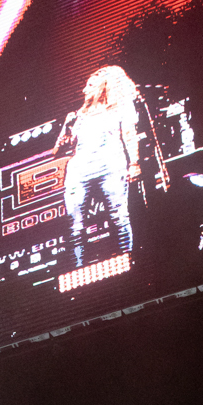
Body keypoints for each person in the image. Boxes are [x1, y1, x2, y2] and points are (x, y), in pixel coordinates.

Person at [55, 66, 142, 273]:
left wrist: (134, 163)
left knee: (119, 216)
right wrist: (66, 129)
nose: (85, 89)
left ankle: (127, 261)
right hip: (79, 172)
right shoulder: (78, 115)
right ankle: (78, 268)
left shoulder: (119, 107)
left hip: (110, 166)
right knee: (75, 225)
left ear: (104, 87)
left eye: (91, 85)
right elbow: (57, 150)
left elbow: (129, 134)